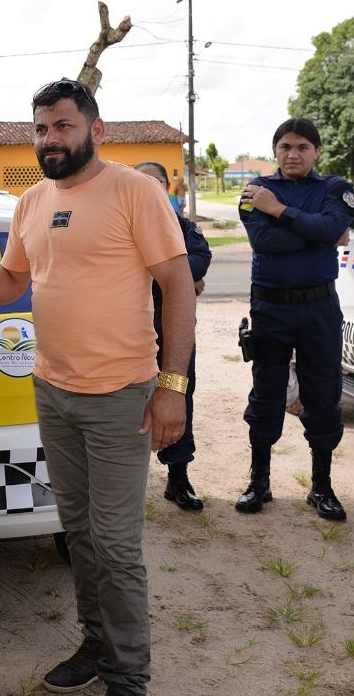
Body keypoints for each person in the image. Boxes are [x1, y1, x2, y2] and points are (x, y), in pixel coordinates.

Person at [0, 79, 195, 696]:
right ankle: (97, 643)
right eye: (40, 128)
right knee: (79, 532)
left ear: (96, 129)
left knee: (115, 543)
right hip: (52, 389)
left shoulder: (133, 191)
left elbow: (179, 285)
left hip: (121, 395)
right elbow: (14, 279)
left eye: (62, 126)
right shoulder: (31, 202)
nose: (50, 139)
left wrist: (173, 386)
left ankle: (129, 675)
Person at [235, 117, 354, 522]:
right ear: (275, 151)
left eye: (303, 147)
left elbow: (332, 225)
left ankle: (321, 487)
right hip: (270, 309)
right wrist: (319, 233)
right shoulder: (255, 189)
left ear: (317, 151)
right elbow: (264, 239)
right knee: (266, 394)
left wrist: (280, 210)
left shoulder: (335, 189)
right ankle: (259, 482)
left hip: (319, 309)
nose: (293, 154)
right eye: (285, 146)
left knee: (322, 394)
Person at [135, 161, 211, 510]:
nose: (150, 188)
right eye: (142, 182)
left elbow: (201, 257)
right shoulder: (122, 224)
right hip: (129, 335)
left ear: (166, 187)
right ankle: (129, 486)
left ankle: (178, 477)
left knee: (179, 396)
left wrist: (161, 272)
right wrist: (172, 273)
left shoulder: (181, 225)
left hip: (172, 333)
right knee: (126, 405)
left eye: (157, 182)